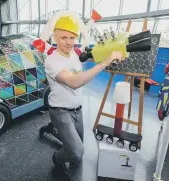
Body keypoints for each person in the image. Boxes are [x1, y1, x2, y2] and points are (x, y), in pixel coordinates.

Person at [44, 16, 124, 176]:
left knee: (77, 146)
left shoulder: (75, 52)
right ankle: (56, 158)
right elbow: (73, 82)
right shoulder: (52, 61)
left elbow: (95, 54)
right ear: (55, 37)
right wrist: (104, 63)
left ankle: (53, 130)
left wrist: (113, 55)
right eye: (63, 38)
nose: (68, 42)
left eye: (72, 38)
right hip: (60, 111)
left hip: (77, 109)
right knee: (76, 152)